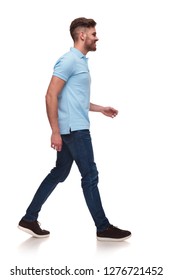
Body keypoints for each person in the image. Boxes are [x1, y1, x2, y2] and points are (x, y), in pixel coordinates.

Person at [18, 17, 131, 241]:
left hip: (73, 128)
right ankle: (103, 227)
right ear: (82, 35)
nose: (97, 37)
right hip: (75, 131)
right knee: (90, 176)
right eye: (93, 33)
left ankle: (29, 219)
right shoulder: (69, 60)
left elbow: (74, 100)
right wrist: (55, 131)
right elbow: (51, 94)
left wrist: (100, 109)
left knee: (59, 173)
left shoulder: (80, 61)